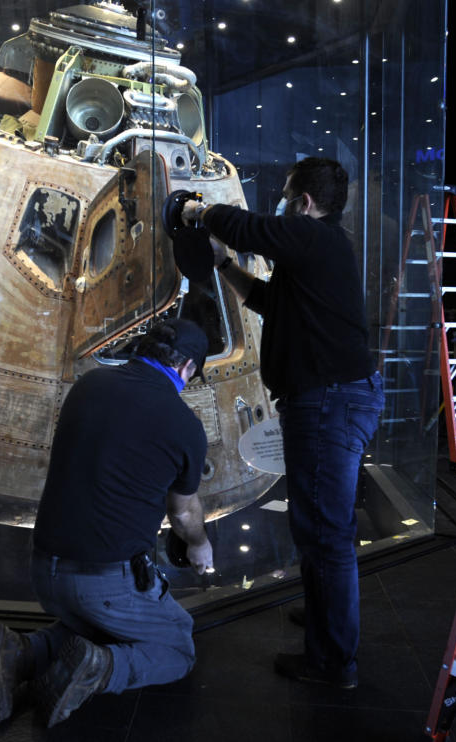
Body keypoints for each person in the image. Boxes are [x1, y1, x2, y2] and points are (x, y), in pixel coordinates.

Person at [180, 157, 384, 690]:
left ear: (305, 204)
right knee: (318, 528)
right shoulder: (315, 255)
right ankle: (324, 620)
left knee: (325, 533)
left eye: (287, 196)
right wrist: (223, 265)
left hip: (329, 403)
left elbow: (251, 228)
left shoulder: (315, 239)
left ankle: (333, 661)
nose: (280, 204)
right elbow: (268, 300)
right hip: (329, 400)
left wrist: (198, 209)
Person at [0, 318, 214, 728]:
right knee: (176, 644)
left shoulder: (88, 386)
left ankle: (23, 652)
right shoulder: (184, 424)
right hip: (102, 582)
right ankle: (98, 670)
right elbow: (183, 513)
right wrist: (198, 545)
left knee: (102, 624)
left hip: (43, 570)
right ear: (188, 367)